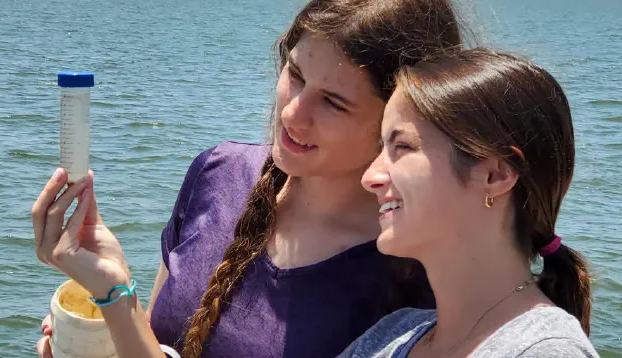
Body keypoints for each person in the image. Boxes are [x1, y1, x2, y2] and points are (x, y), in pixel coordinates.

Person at [33, 0, 465, 357]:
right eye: (295, 75)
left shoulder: (414, 267)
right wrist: (111, 303)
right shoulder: (217, 172)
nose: (293, 112)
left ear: (400, 120)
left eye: (333, 102)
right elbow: (154, 341)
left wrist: (115, 299)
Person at [339, 48, 599, 357]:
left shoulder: (543, 351)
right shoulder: (392, 333)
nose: (371, 177)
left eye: (403, 146)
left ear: (494, 175)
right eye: (381, 147)